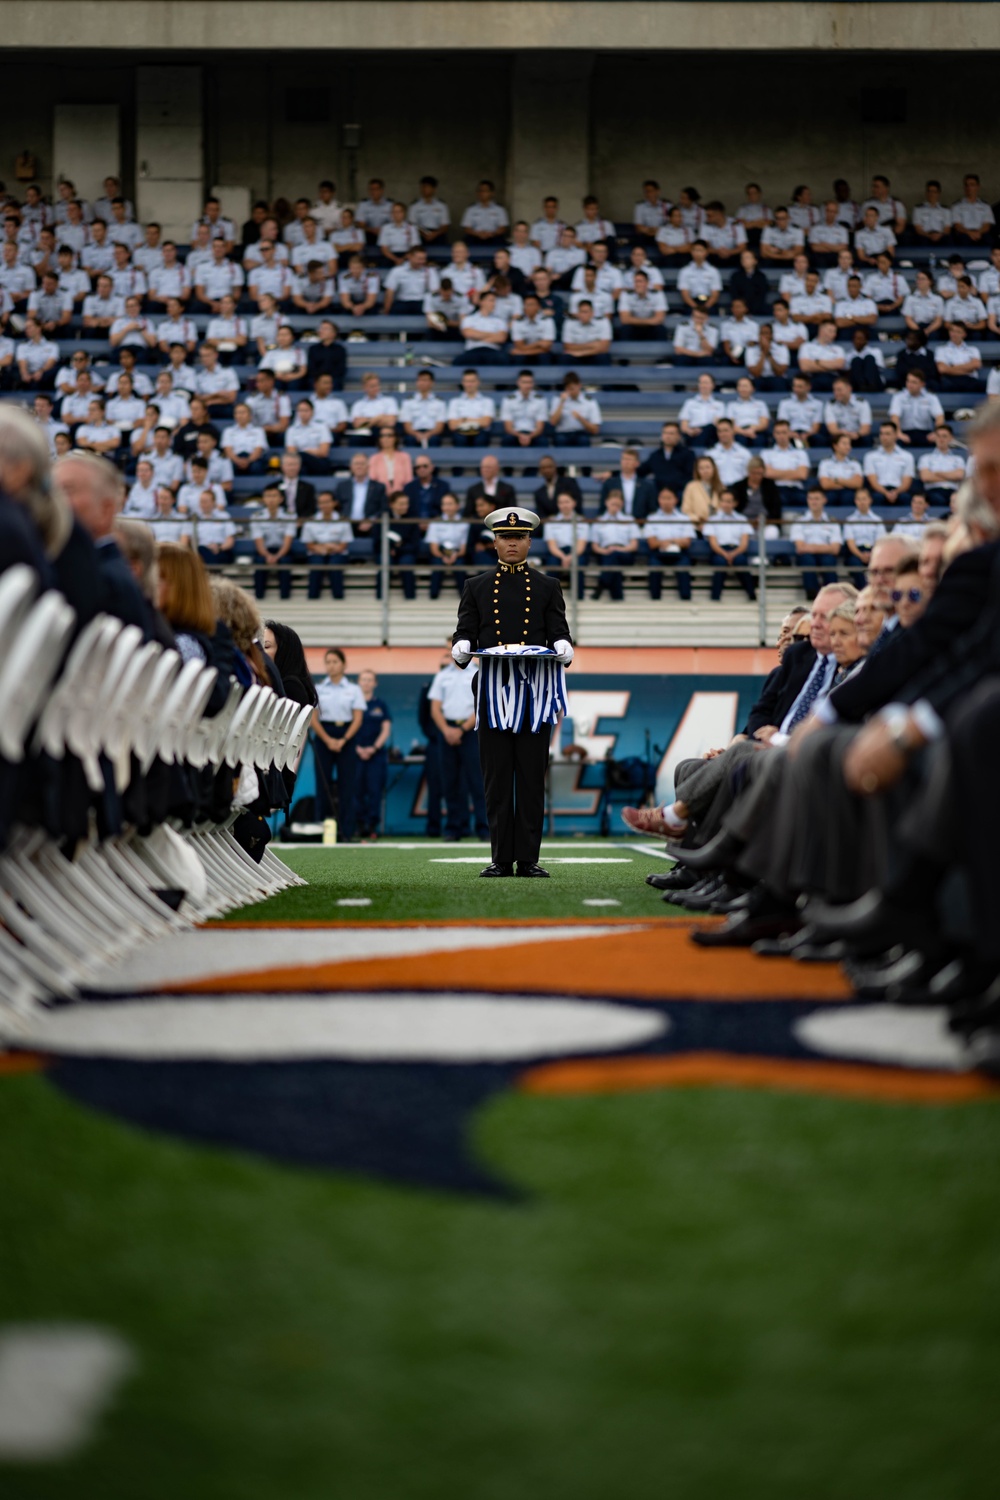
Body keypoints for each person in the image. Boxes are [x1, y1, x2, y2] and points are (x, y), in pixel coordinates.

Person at [452, 507, 572, 876]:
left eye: (519, 537)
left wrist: (565, 646)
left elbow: (558, 630)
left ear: (529, 541)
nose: (512, 543)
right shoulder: (477, 586)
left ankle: (529, 859)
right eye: (506, 537)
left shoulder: (548, 586)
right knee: (498, 778)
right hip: (493, 693)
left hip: (534, 694)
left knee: (533, 778)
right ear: (495, 542)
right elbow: (465, 631)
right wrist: (460, 646)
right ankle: (501, 858)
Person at [310, 648, 365, 840]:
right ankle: (321, 832)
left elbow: (357, 718)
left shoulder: (353, 689)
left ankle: (346, 833)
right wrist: (327, 740)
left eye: (335, 661)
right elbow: (313, 718)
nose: (331, 666)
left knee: (347, 786)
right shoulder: (318, 688)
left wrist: (343, 740)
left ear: (343, 664)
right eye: (328, 662)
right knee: (323, 785)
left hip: (346, 737)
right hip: (324, 735)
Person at [354, 669, 392, 841]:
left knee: (374, 790)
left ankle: (371, 826)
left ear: (375, 683)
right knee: (356, 791)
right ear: (359, 682)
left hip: (375, 755)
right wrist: (357, 748)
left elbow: (386, 730)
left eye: (370, 680)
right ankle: (358, 825)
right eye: (363, 679)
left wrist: (373, 748)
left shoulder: (381, 705)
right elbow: (349, 728)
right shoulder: (353, 704)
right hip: (355, 754)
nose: (367, 683)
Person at [643, 487, 695, 601]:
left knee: (684, 564)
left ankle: (685, 599)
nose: (666, 501)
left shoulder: (684, 518)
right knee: (654, 565)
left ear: (675, 500)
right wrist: (675, 540)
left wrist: (668, 542)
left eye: (669, 498)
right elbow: (652, 543)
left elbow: (687, 542)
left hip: (679, 553)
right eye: (663, 498)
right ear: (658, 500)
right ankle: (655, 598)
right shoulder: (652, 518)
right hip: (658, 553)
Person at [703, 490, 755, 601]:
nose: (726, 504)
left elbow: (744, 543)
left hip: (737, 550)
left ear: (734, 503)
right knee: (720, 563)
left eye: (729, 501)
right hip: (719, 551)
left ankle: (752, 596)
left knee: (741, 561)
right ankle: (715, 598)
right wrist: (725, 554)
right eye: (723, 501)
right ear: (720, 503)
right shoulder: (713, 520)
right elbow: (713, 543)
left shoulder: (742, 519)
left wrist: (733, 553)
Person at [590, 490, 640, 600]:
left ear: (622, 504)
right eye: (613, 504)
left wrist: (619, 549)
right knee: (613, 563)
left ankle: (601, 585)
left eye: (617, 504)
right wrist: (606, 551)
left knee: (614, 556)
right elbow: (595, 546)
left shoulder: (629, 520)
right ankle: (617, 597)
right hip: (605, 553)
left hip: (625, 553)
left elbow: (634, 545)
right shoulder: (599, 521)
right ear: (606, 503)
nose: (615, 507)